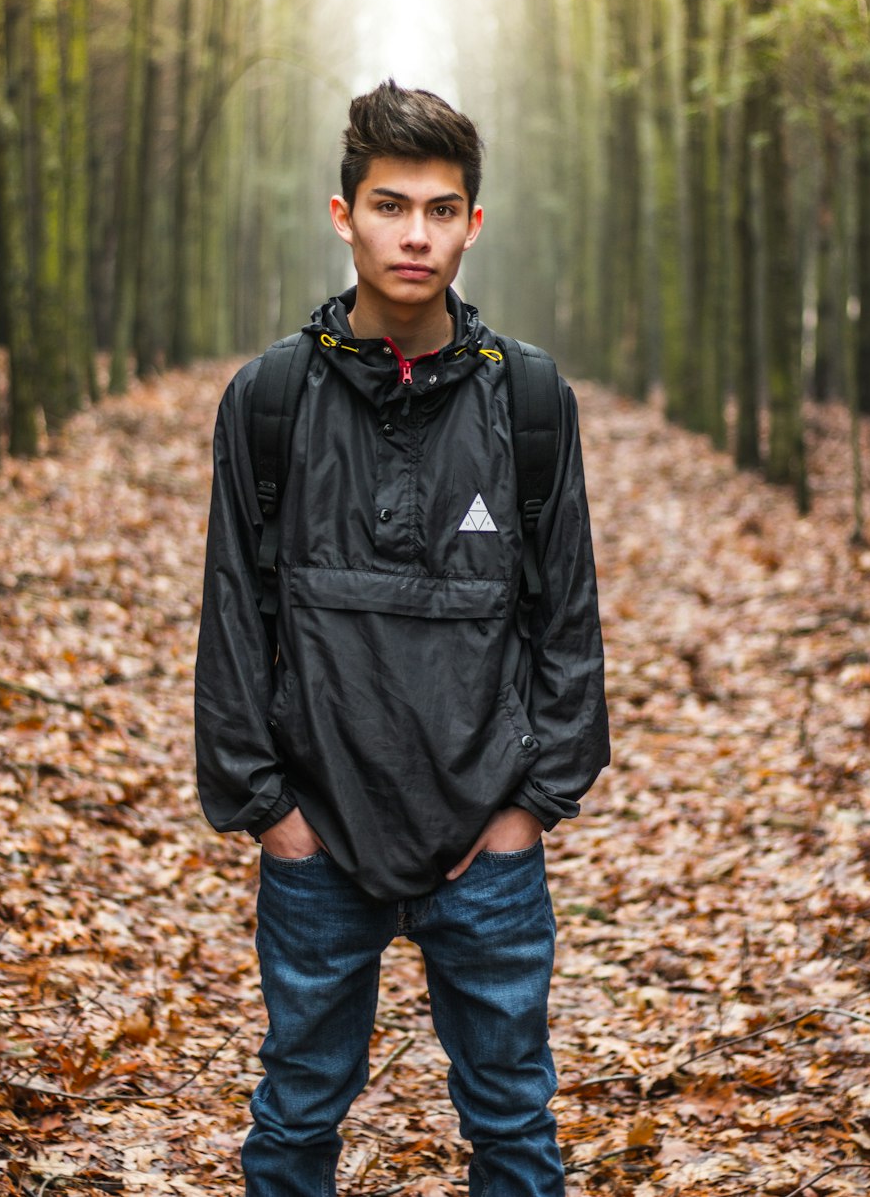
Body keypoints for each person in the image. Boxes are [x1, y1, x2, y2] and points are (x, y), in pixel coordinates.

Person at [195, 79, 609, 1197]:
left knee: (516, 1132)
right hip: (318, 845)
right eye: (389, 205)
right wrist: (272, 816)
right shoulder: (268, 400)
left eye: (439, 209)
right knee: (292, 1126)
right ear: (344, 216)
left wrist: (530, 809)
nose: (413, 233)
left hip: (488, 850)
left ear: (474, 223)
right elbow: (232, 618)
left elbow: (565, 620)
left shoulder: (527, 401)